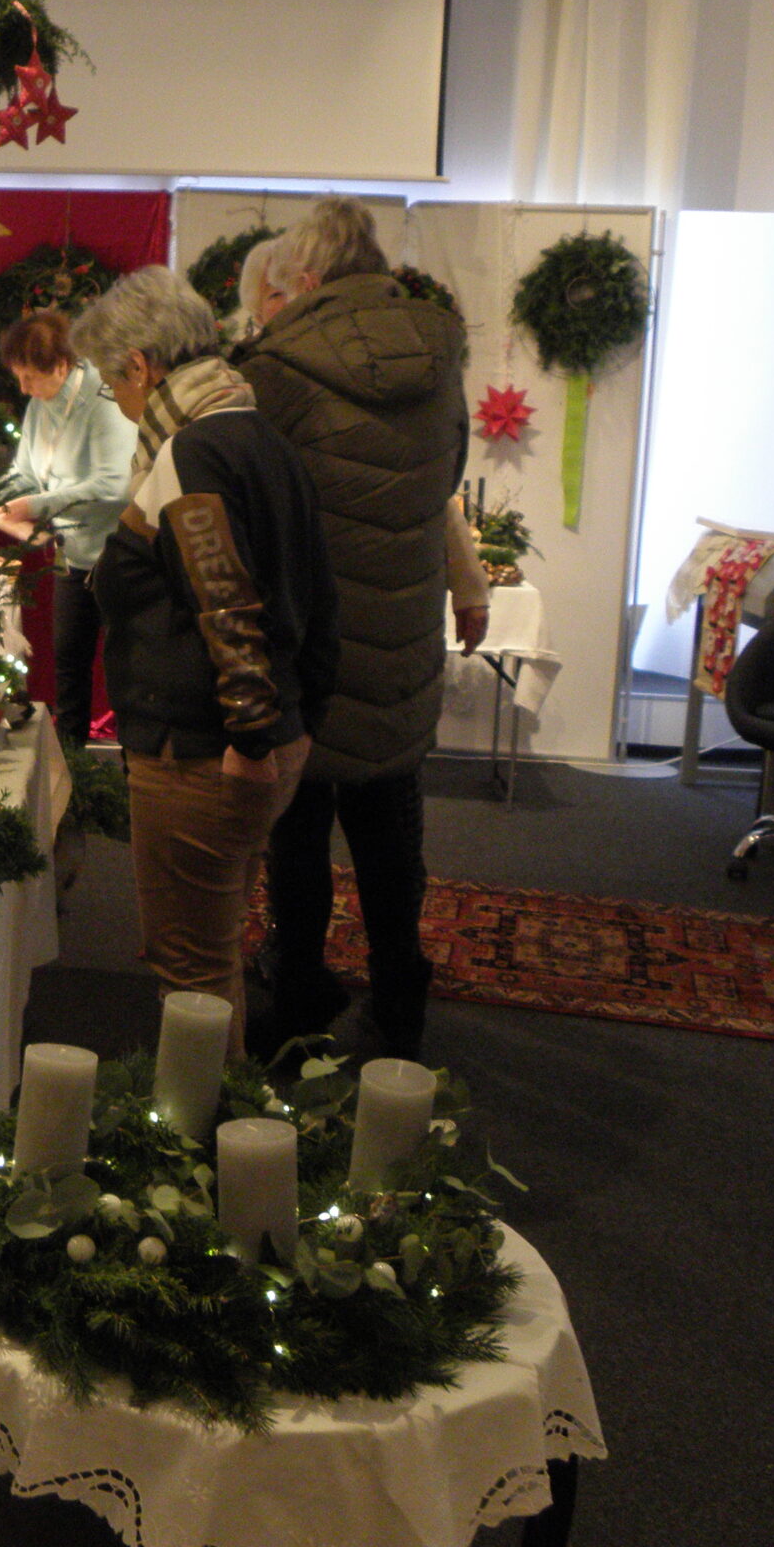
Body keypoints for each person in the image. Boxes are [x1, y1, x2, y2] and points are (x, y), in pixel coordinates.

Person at [75, 267, 338, 1043]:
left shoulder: (191, 452)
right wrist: (298, 722)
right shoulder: (263, 439)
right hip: (264, 741)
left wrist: (253, 738)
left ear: (141, 367)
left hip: (202, 752)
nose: (116, 402)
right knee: (212, 954)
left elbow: (224, 604)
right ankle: (221, 1134)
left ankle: (200, 1148)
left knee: (190, 970)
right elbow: (321, 598)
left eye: (107, 382)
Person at [236, 198, 471, 1061]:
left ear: (304, 276)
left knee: (297, 830)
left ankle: (299, 991)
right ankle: (400, 995)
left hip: (316, 634)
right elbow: (451, 471)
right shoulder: (441, 351)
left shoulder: (277, 366)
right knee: (390, 826)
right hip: (404, 629)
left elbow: (256, 506)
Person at [0, 307, 135, 745]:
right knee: (67, 663)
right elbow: (25, 471)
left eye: (30, 378)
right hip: (71, 552)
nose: (23, 388)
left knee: (123, 670)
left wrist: (38, 504)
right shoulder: (41, 403)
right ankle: (72, 768)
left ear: (61, 365)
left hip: (119, 556)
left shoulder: (104, 401)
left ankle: (127, 775)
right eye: (19, 377)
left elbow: (114, 485)